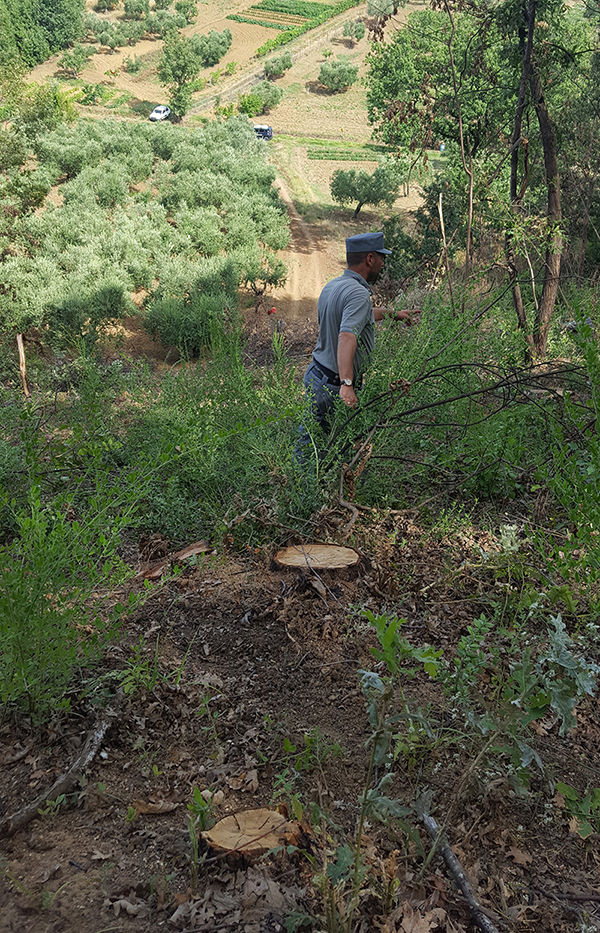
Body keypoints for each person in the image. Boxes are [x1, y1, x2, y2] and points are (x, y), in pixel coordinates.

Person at [298, 232, 418, 451]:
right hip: (333, 385)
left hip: (317, 375)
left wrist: (393, 314)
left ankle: (311, 482)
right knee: (327, 446)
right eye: (381, 257)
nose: (382, 263)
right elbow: (347, 335)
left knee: (314, 442)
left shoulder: (333, 286)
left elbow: (357, 314)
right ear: (370, 259)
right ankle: (313, 484)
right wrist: (347, 384)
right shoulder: (358, 293)